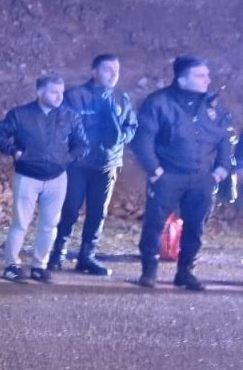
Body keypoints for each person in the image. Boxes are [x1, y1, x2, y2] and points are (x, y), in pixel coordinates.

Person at [132, 56, 235, 291]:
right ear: (182, 79)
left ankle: (185, 271)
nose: (207, 80)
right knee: (155, 224)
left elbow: (224, 137)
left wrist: (221, 168)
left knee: (195, 226)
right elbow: (143, 139)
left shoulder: (211, 106)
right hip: (168, 175)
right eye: (200, 76)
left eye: (207, 75)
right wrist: (155, 170)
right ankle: (149, 270)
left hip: (202, 177)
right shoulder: (159, 102)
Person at [0, 75, 88, 283]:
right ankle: (11, 266)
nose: (59, 96)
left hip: (57, 177)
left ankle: (39, 266)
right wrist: (15, 152)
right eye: (54, 92)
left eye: (61, 92)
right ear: (40, 92)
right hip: (27, 175)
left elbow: (82, 144)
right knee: (20, 223)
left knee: (50, 225)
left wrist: (67, 158)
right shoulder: (20, 115)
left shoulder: (70, 116)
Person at [48, 54, 138, 276]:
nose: (113, 74)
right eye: (108, 69)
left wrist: (120, 137)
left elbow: (132, 126)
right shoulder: (75, 97)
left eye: (116, 70)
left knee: (98, 212)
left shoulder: (120, 98)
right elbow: (60, 125)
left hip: (107, 164)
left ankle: (87, 257)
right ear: (94, 72)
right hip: (78, 165)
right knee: (70, 209)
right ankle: (58, 253)